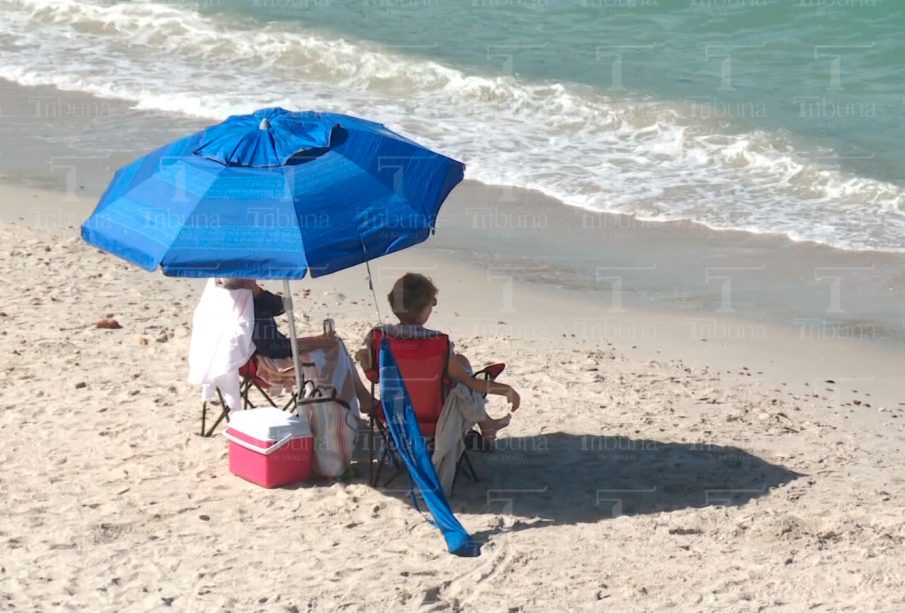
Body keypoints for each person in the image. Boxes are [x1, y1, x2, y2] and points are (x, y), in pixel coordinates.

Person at [356, 272, 519, 443]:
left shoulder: (379, 338)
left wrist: (362, 358)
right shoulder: (437, 344)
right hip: (436, 419)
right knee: (461, 381)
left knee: (459, 363)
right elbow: (469, 384)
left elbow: (373, 375)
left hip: (393, 415)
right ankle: (487, 424)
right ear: (423, 312)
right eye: (431, 304)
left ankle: (487, 425)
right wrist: (505, 390)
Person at [217, 279, 374, 411]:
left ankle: (360, 398)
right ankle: (344, 410)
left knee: (334, 344)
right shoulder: (246, 311)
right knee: (333, 349)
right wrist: (315, 341)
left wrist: (258, 292)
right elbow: (274, 349)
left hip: (260, 357)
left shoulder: (236, 299)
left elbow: (282, 306)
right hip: (266, 366)